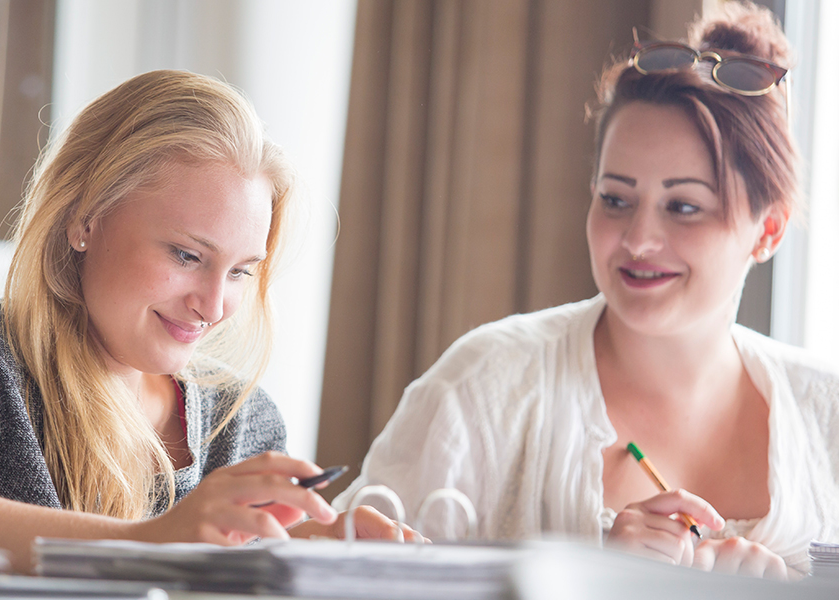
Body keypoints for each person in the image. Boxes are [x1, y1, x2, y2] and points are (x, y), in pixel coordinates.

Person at [0, 70, 414, 572]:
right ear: (85, 220)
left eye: (239, 272)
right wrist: (148, 546)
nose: (213, 304)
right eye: (187, 256)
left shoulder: (240, 420)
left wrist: (316, 557)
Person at [334, 3, 837, 579]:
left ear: (768, 229)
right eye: (616, 199)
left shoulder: (828, 417)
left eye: (684, 207)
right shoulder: (485, 388)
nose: (639, 239)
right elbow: (343, 577)